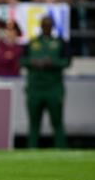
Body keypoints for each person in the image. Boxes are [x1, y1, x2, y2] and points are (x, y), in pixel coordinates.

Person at [20, 16, 71, 148]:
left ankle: (61, 149)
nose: (46, 27)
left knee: (57, 122)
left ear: (52, 26)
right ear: (41, 26)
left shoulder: (60, 42)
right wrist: (33, 62)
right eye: (44, 24)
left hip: (53, 88)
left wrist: (52, 63)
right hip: (35, 88)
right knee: (34, 123)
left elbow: (67, 62)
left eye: (49, 24)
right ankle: (31, 149)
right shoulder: (32, 43)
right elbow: (22, 60)